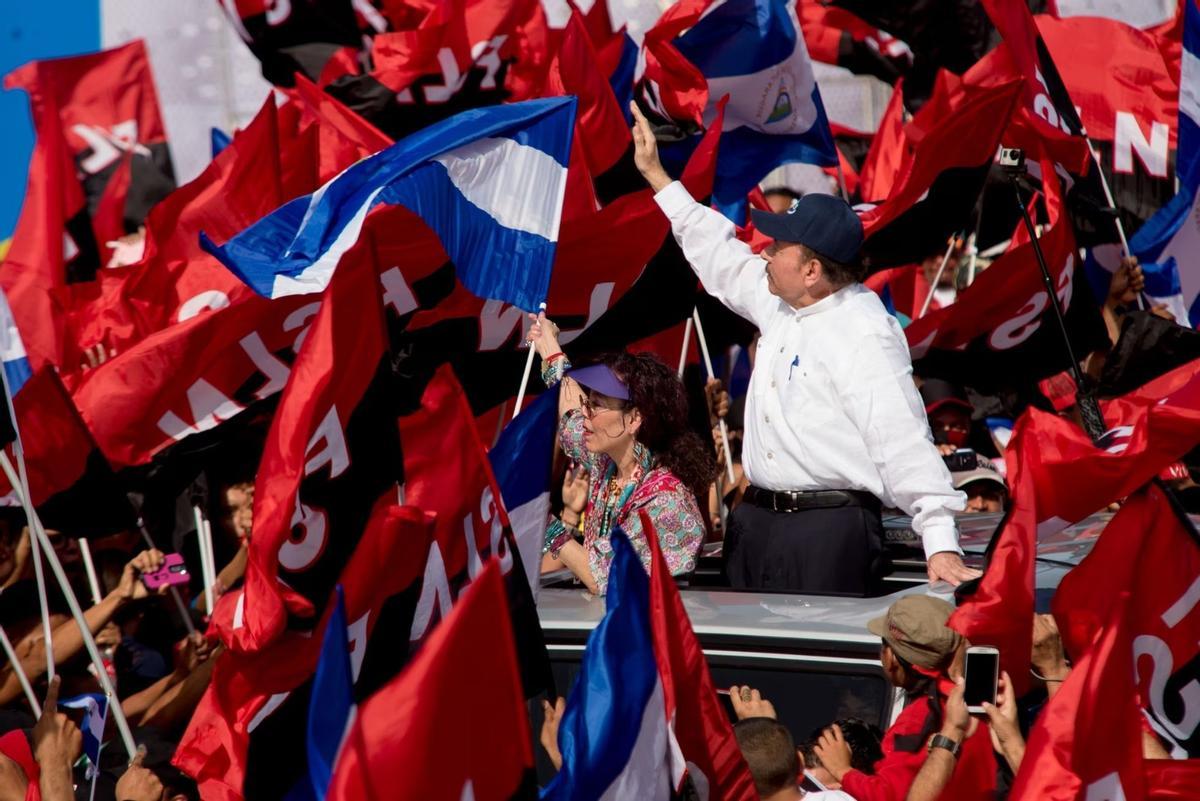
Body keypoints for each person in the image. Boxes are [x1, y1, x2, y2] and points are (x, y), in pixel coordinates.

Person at [630, 102, 975, 594]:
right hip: (756, 525)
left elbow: (901, 437)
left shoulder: (864, 331)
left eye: (777, 247)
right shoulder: (781, 301)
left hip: (827, 531)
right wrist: (658, 177)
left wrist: (939, 539)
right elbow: (720, 255)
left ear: (812, 271)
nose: (765, 252)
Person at [526, 317, 714, 595]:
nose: (585, 413)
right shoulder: (607, 462)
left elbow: (600, 576)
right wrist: (550, 347)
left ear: (635, 418)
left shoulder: (667, 503)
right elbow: (570, 414)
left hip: (648, 621)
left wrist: (542, 521)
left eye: (597, 405)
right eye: (588, 401)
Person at [812, 596, 996, 801]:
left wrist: (843, 771)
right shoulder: (981, 701)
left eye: (883, 645)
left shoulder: (916, 721)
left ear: (891, 658)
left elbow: (889, 795)